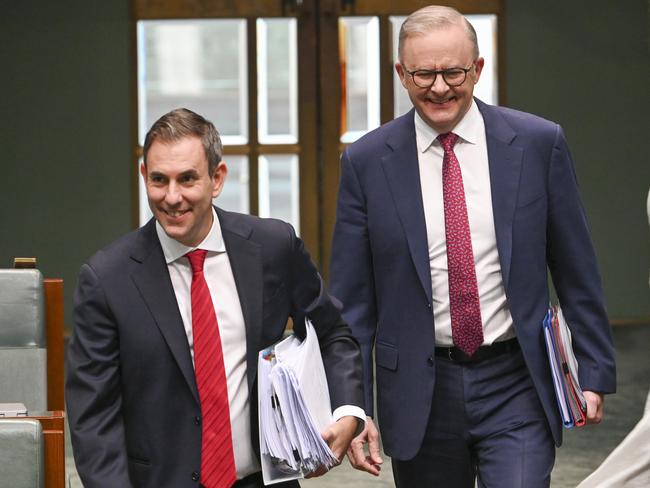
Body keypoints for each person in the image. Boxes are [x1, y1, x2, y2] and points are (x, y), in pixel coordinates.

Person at [329, 5, 616, 487]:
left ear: (478, 69)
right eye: (423, 73)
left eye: (454, 72)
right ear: (401, 74)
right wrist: (353, 405)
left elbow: (575, 267)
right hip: (420, 389)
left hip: (517, 377)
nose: (439, 87)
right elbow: (352, 305)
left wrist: (594, 369)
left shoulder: (537, 143)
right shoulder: (366, 162)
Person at [66, 108, 365, 488]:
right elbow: (93, 417)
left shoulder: (272, 247)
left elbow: (334, 333)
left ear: (217, 178)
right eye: (159, 180)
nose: (172, 197)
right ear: (144, 177)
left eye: (187, 179)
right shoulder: (107, 279)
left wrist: (349, 411)